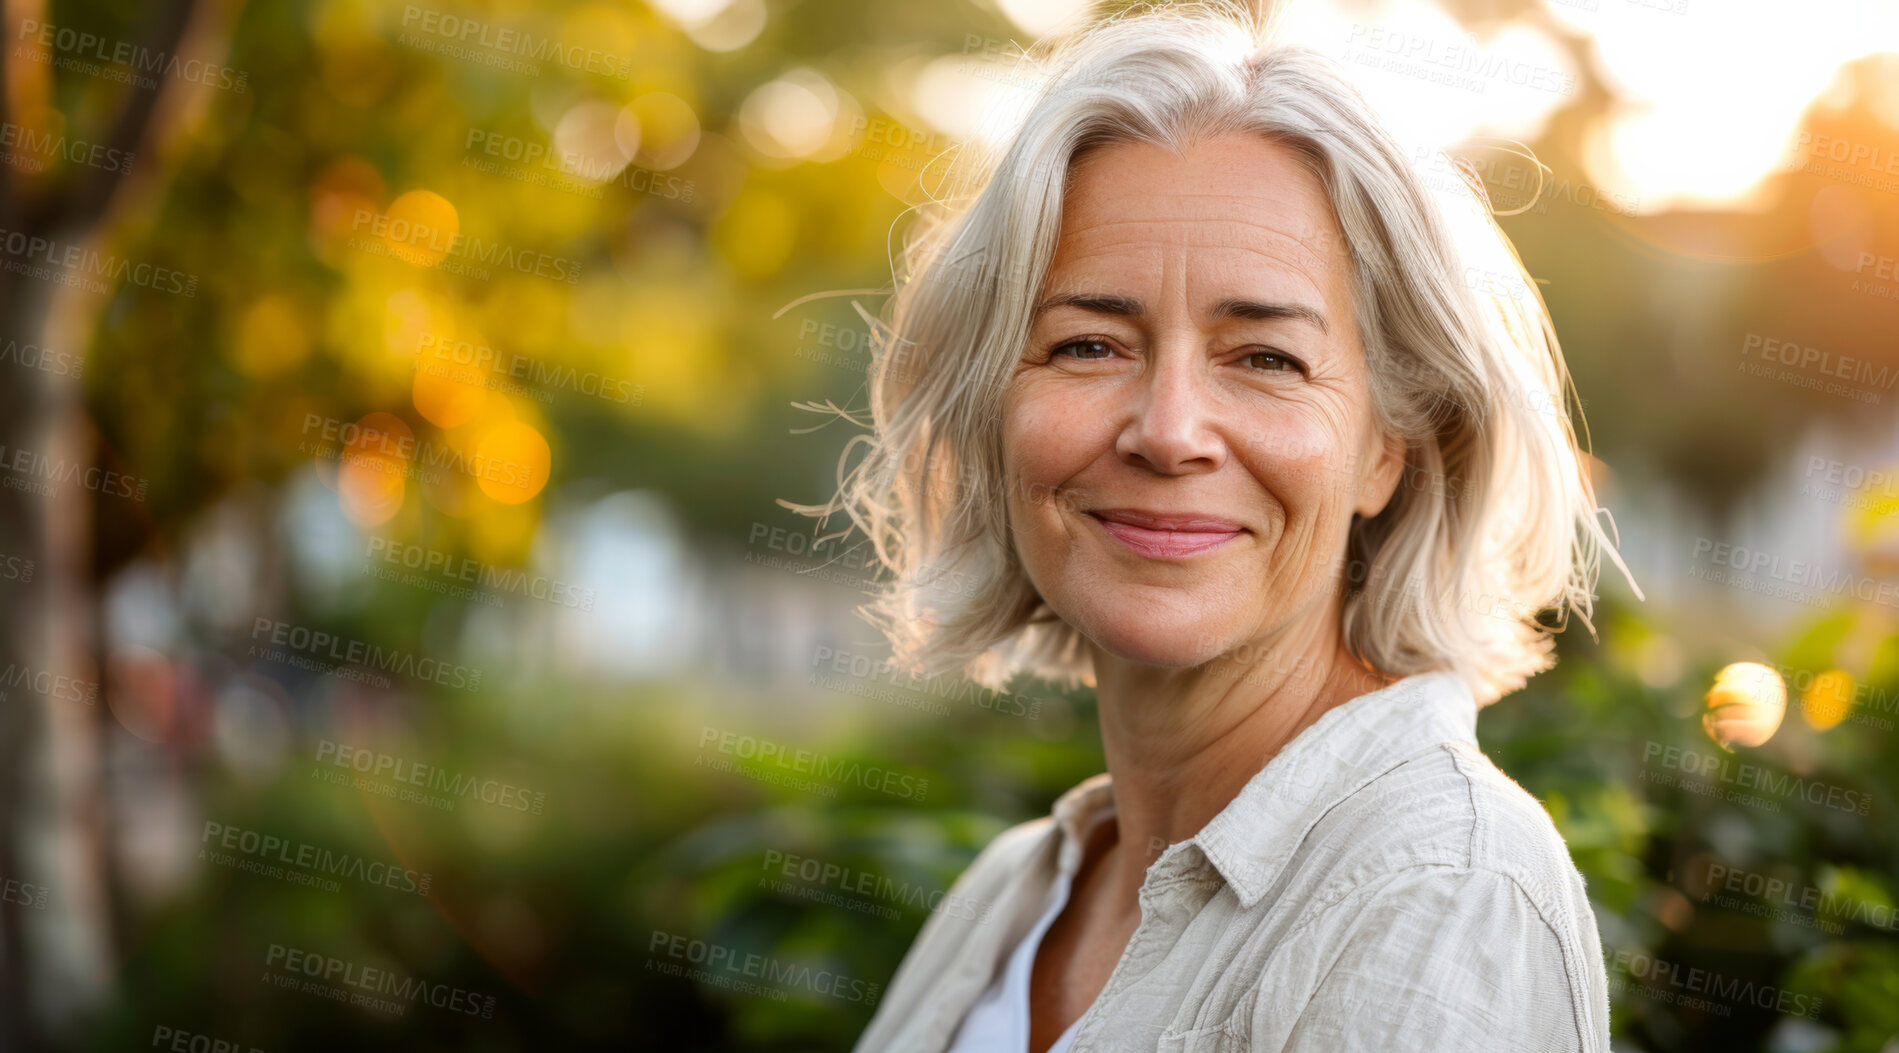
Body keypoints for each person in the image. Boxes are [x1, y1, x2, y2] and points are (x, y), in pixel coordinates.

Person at [800, 3, 1637, 1049]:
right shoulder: (1017, 893)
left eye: (1267, 358)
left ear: (1396, 447)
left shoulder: (1437, 889)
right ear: (989, 405)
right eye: (1089, 345)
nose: (1168, 432)